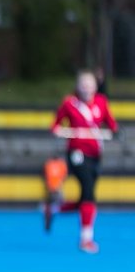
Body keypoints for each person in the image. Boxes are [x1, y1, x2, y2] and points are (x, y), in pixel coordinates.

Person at [48, 70, 119, 253]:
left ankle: (54, 209)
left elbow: (112, 126)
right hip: (76, 153)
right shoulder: (70, 104)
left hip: (95, 153)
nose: (87, 88)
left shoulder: (101, 103)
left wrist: (114, 132)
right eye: (83, 85)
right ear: (78, 87)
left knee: (85, 200)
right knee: (88, 192)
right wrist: (60, 131)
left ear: (95, 87)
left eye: (90, 85)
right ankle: (86, 240)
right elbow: (55, 126)